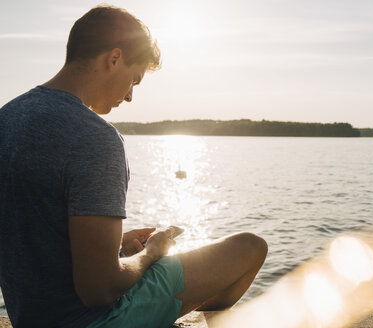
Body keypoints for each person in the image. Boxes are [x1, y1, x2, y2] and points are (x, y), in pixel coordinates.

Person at [0, 5, 267, 328]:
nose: (129, 97)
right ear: (114, 59)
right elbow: (100, 289)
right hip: (96, 320)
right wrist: (152, 252)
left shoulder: (7, 118)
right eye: (134, 81)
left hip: (30, 317)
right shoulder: (95, 137)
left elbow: (33, 233)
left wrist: (115, 247)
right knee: (249, 247)